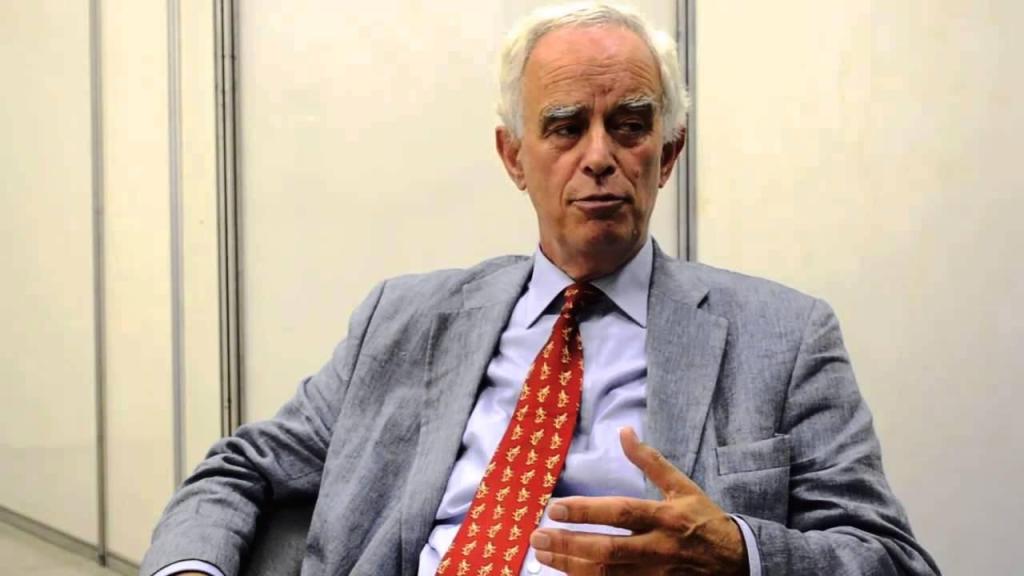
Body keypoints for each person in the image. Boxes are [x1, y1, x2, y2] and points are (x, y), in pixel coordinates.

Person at [142, 3, 940, 575]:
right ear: (514, 157)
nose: (599, 157)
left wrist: (739, 551)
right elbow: (241, 468)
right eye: (564, 126)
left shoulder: (784, 337)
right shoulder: (401, 318)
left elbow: (892, 558)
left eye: (629, 125)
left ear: (666, 154)